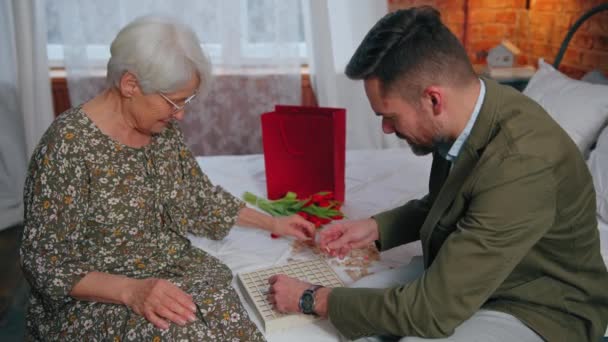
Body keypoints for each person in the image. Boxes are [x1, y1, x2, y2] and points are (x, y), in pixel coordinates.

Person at [268, 6, 608, 342]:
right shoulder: (470, 112)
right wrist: (373, 227)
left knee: (383, 323)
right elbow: (453, 200)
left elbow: (430, 312)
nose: (386, 129)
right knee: (356, 305)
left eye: (389, 116)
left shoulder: (522, 164)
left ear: (433, 100)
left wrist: (312, 298)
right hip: (473, 271)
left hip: (538, 304)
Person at [20, 15, 315, 341]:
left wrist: (275, 223)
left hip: (167, 266)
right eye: (175, 101)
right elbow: (45, 264)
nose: (181, 114)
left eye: (186, 100)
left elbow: (197, 198)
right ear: (130, 84)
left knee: (227, 315)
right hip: (98, 293)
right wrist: (132, 291)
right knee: (179, 332)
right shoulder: (66, 147)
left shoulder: (160, 130)